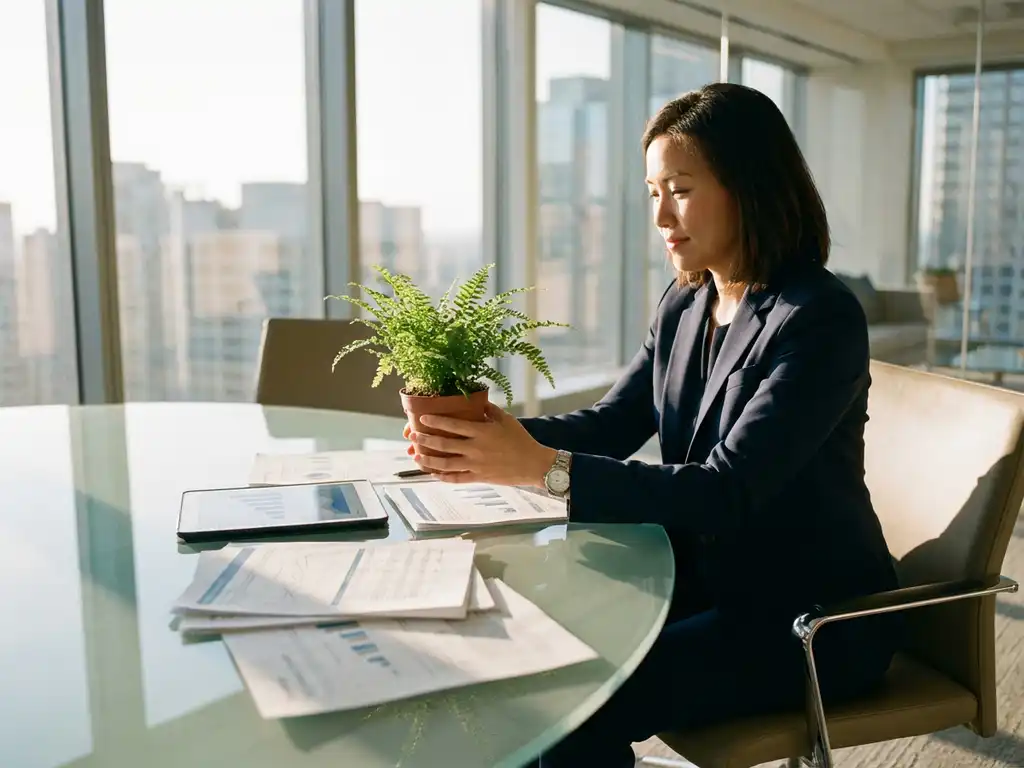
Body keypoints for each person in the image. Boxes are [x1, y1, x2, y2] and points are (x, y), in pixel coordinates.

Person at [403, 82, 901, 767]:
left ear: (748, 186)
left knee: (572, 700)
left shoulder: (818, 319)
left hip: (803, 616)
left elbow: (724, 491)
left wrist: (538, 468)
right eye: (651, 191)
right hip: (692, 578)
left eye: (682, 188)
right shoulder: (686, 300)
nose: (662, 215)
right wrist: (493, 435)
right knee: (522, 648)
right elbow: (614, 421)